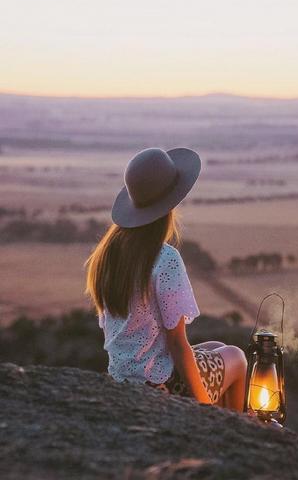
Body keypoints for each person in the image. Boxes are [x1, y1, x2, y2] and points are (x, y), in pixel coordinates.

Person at [84, 146, 247, 410]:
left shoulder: (108, 254)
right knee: (237, 358)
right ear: (171, 203)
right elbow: (177, 342)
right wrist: (205, 408)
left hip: (124, 377)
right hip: (159, 385)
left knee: (217, 346)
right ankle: (233, 429)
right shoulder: (164, 259)